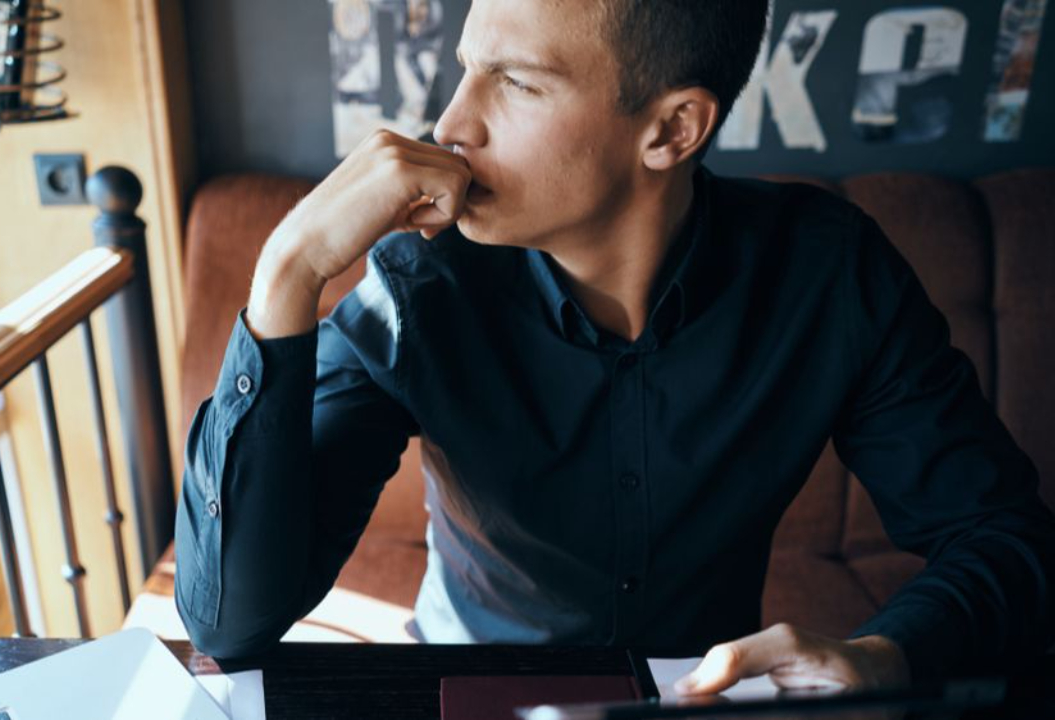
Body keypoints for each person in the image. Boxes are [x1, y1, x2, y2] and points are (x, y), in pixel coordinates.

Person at [174, 0, 1055, 696]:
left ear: (673, 130)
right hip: (466, 687)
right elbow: (230, 626)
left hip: (701, 689)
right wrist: (288, 273)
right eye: (466, 69)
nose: (451, 126)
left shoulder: (828, 276)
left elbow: (1004, 536)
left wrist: (890, 653)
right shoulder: (419, 285)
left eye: (515, 83)